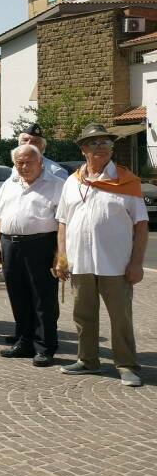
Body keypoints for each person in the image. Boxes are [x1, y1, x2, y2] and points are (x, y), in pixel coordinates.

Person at [55, 123, 146, 388]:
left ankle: (126, 365)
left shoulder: (127, 181)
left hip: (116, 264)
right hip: (80, 262)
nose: (101, 147)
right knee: (83, 315)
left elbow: (141, 225)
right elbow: (63, 221)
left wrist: (137, 263)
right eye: (94, 143)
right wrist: (61, 257)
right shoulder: (72, 181)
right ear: (83, 149)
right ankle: (88, 360)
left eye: (105, 142)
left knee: (120, 317)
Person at [0, 144, 63, 367]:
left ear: (41, 162)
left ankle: (45, 347)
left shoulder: (56, 185)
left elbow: (63, 223)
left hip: (41, 245)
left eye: (29, 162)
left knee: (43, 299)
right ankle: (24, 342)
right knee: (17, 296)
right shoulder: (9, 185)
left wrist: (60, 254)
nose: (24, 166)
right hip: (10, 244)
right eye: (19, 162)